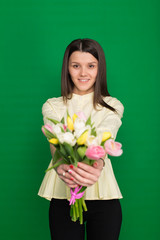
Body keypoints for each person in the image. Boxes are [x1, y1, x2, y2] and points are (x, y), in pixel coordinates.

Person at [38, 38, 124, 240]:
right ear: (67, 68)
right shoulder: (52, 105)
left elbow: (107, 133)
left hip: (105, 199)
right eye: (76, 66)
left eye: (91, 66)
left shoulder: (112, 105)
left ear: (99, 69)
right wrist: (60, 165)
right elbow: (56, 143)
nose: (83, 73)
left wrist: (98, 163)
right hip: (63, 198)